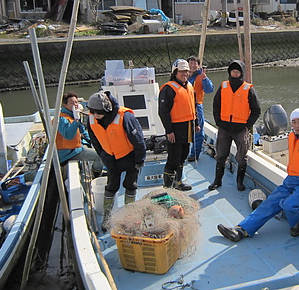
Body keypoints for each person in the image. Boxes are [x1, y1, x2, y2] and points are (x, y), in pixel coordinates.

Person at [217, 108, 299, 242]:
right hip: (291, 180)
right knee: (269, 203)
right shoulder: (293, 136)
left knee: (289, 205)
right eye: (294, 122)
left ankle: (296, 223)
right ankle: (242, 230)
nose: (297, 125)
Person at [87, 90, 146, 230]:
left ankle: (128, 216)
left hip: (129, 157)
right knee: (111, 186)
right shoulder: (91, 119)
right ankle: (107, 217)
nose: (96, 116)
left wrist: (140, 160)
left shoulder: (125, 117)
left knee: (130, 185)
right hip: (110, 158)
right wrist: (102, 155)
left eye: (99, 113)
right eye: (93, 112)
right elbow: (94, 140)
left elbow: (138, 140)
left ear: (107, 109)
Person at [209, 60, 261, 191]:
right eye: (233, 71)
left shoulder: (248, 89)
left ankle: (240, 182)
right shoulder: (223, 86)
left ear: (241, 73)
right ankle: (217, 181)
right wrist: (218, 122)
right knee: (221, 155)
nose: (235, 73)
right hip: (224, 128)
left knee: (241, 157)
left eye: (237, 71)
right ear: (229, 72)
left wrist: (247, 125)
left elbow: (256, 110)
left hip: (240, 129)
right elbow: (216, 105)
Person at [158, 59, 199, 191]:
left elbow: (195, 106)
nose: (184, 74)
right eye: (181, 71)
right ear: (175, 72)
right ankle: (168, 188)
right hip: (175, 129)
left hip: (187, 128)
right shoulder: (169, 89)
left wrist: (196, 123)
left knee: (183, 155)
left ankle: (178, 182)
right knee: (173, 159)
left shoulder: (190, 87)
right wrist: (169, 131)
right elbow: (163, 112)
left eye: (186, 71)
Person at [56, 91, 104, 175]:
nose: (75, 105)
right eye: (72, 103)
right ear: (65, 105)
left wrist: (95, 142)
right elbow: (68, 136)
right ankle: (96, 174)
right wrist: (76, 120)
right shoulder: (62, 119)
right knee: (99, 156)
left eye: (76, 102)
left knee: (100, 149)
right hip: (68, 152)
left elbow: (83, 131)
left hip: (76, 147)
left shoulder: (72, 115)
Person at [186, 56, 215, 162]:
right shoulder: (183, 75)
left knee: (198, 132)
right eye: (191, 63)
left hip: (197, 106)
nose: (192, 66)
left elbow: (210, 89)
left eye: (195, 64)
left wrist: (204, 78)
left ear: (198, 66)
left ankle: (194, 154)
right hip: (184, 106)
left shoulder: (201, 76)